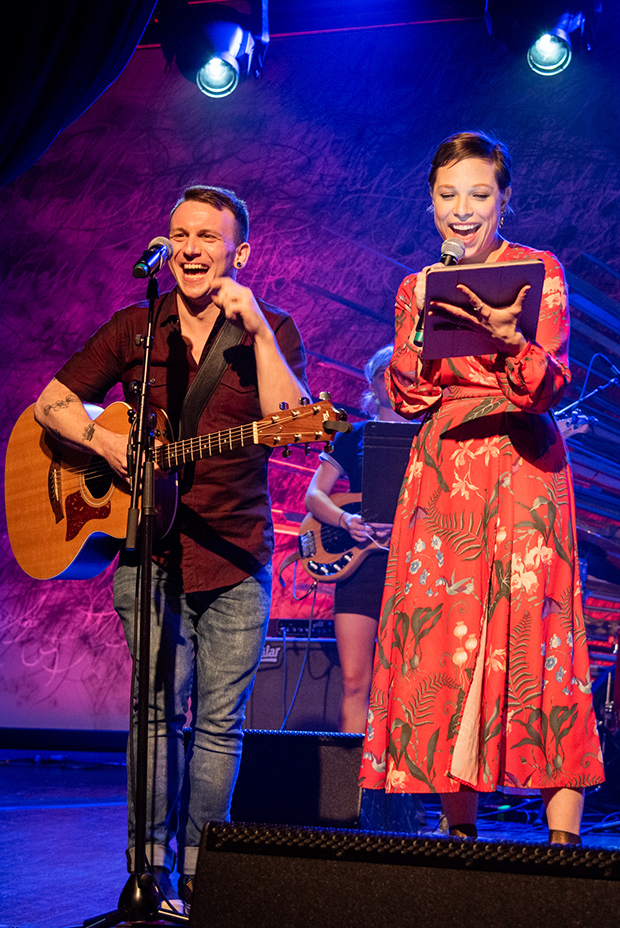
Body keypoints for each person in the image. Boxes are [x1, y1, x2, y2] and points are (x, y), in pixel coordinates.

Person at [34, 185, 309, 910]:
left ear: (238, 253)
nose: (189, 249)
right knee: (155, 716)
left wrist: (258, 333)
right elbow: (51, 402)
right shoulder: (137, 328)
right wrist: (102, 438)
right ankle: (146, 875)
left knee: (219, 724)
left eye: (206, 238)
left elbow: (292, 418)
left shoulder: (269, 328)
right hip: (145, 551)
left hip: (237, 553)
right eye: (179, 235)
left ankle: (202, 874)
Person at [359, 131, 605, 845]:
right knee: (445, 641)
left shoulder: (539, 270)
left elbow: (547, 383)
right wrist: (417, 341)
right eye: (447, 196)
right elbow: (407, 395)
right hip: (445, 475)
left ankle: (564, 843)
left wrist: (509, 337)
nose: (462, 210)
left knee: (539, 632)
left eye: (478, 195)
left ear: (504, 201)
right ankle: (457, 836)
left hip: (524, 466)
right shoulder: (415, 287)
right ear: (431, 202)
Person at [304, 345, 406, 733]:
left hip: (410, 567)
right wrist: (347, 520)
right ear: (372, 381)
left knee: (405, 683)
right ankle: (354, 785)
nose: (393, 381)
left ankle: (399, 786)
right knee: (354, 681)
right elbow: (315, 495)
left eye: (402, 373)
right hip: (359, 569)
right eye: (385, 373)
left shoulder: (431, 436)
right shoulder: (353, 435)